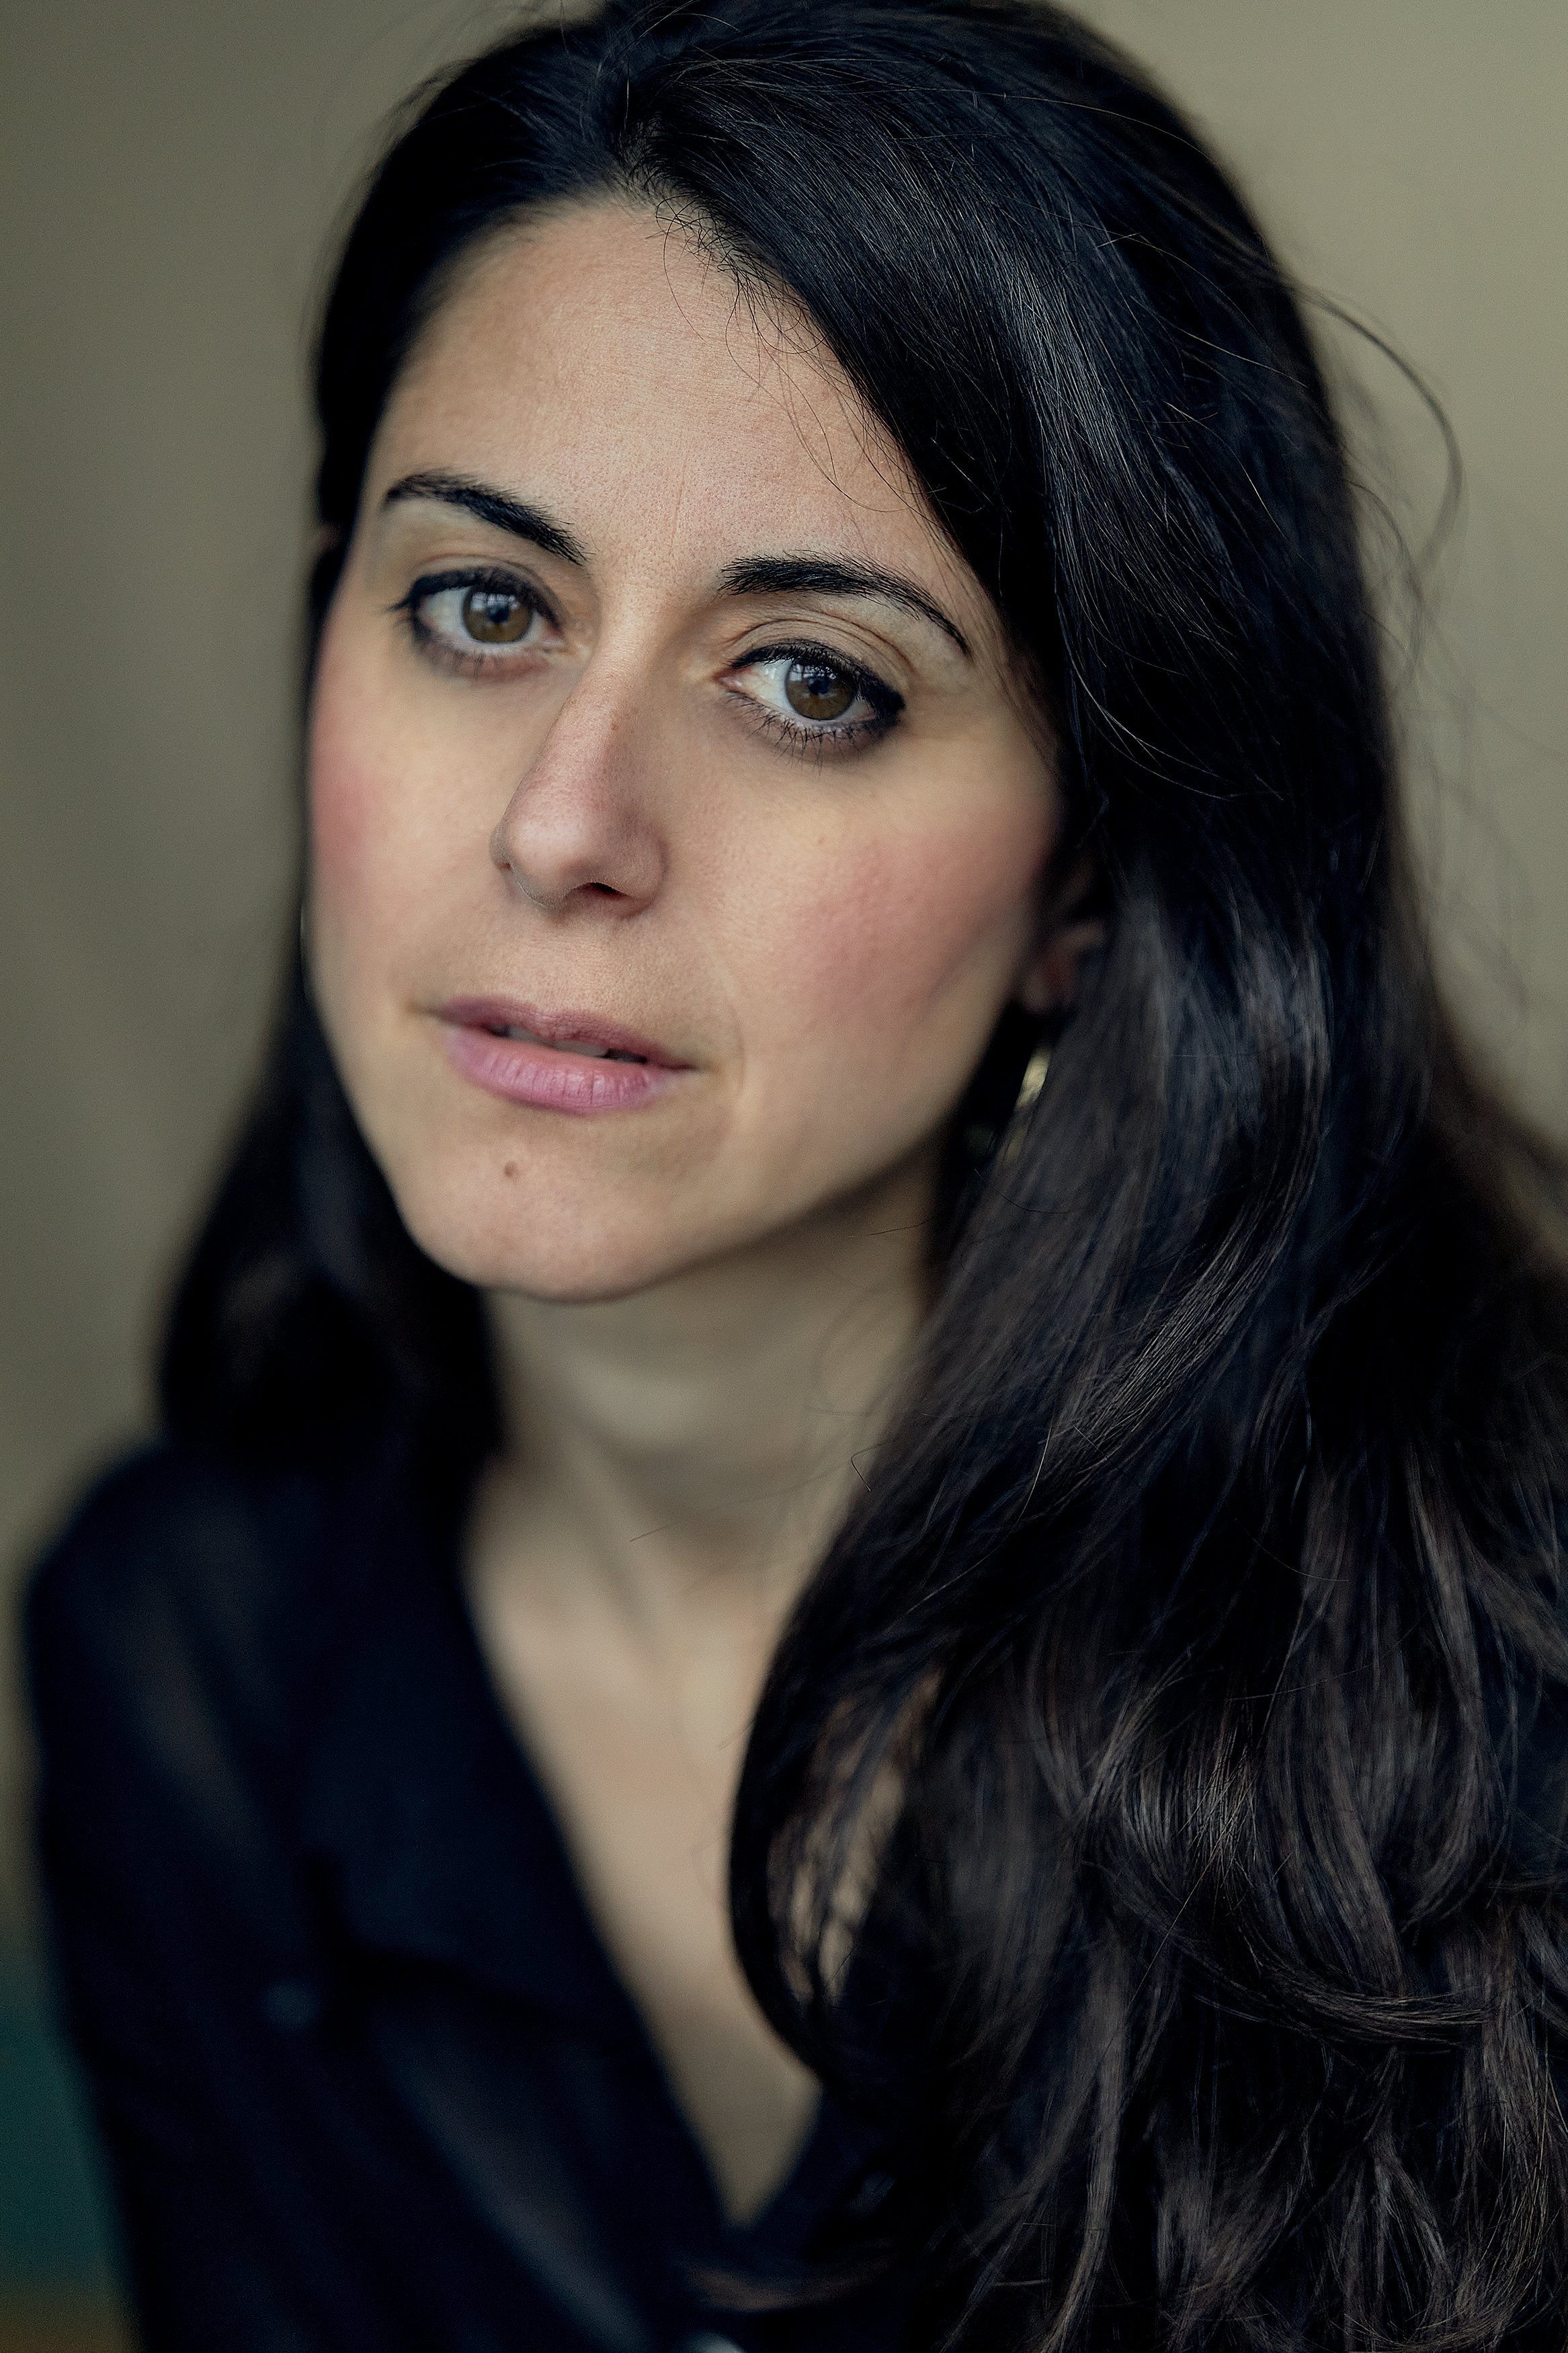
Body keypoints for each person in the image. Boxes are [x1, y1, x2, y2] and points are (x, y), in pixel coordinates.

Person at [26, 1, 1568, 2346]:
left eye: (811, 681)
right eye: (482, 606)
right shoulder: (185, 1660)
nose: (563, 824)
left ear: (1091, 884)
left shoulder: (1510, 1675)